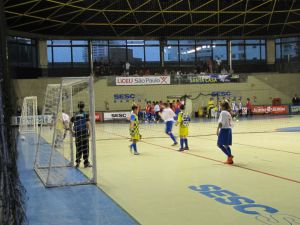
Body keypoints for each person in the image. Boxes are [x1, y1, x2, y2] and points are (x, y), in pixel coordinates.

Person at [70, 101, 92, 168]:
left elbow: (70, 124)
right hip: (84, 133)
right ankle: (86, 163)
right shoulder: (86, 114)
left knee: (78, 148)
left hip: (77, 134)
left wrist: (72, 132)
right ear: (84, 106)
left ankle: (77, 163)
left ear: (78, 106)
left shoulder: (75, 115)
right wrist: (90, 133)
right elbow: (88, 124)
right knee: (85, 148)